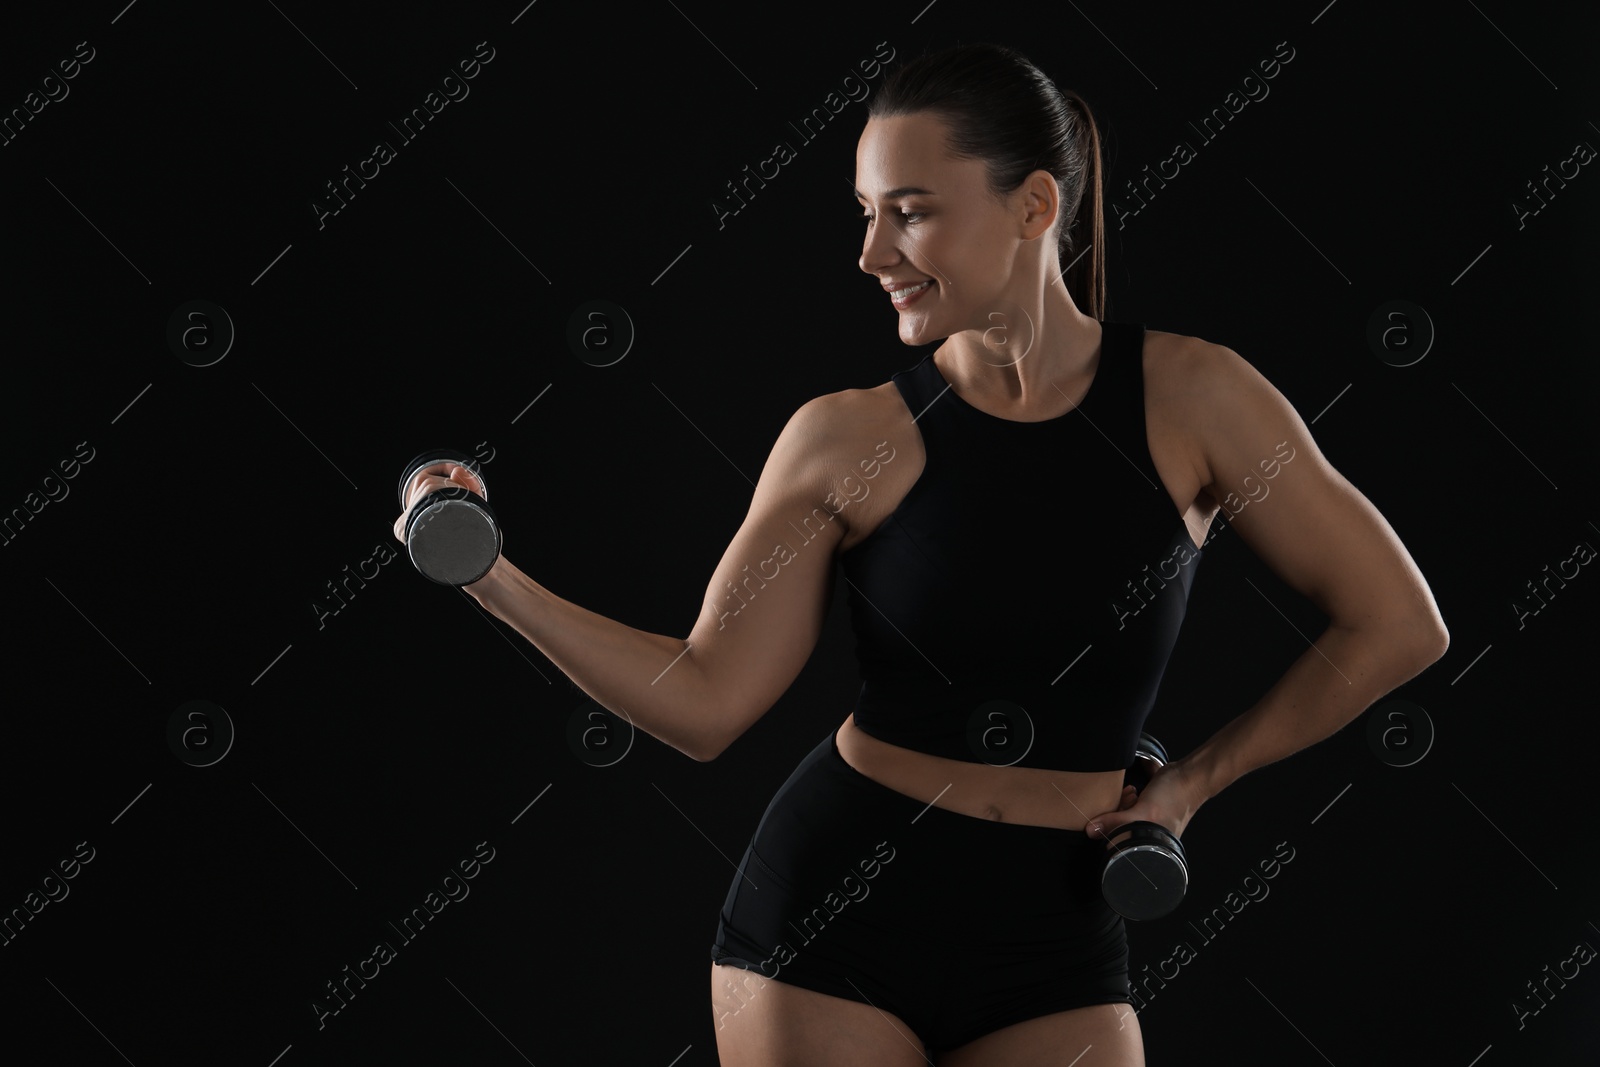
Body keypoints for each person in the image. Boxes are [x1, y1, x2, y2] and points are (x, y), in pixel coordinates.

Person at [394, 43, 1449, 1067]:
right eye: (866, 214)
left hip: (1058, 935)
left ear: (1034, 206)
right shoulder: (849, 438)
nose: (870, 253)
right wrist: (487, 572)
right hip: (831, 922)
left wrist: (1194, 784)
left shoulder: (1195, 400)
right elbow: (705, 697)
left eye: (909, 211)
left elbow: (1398, 621)